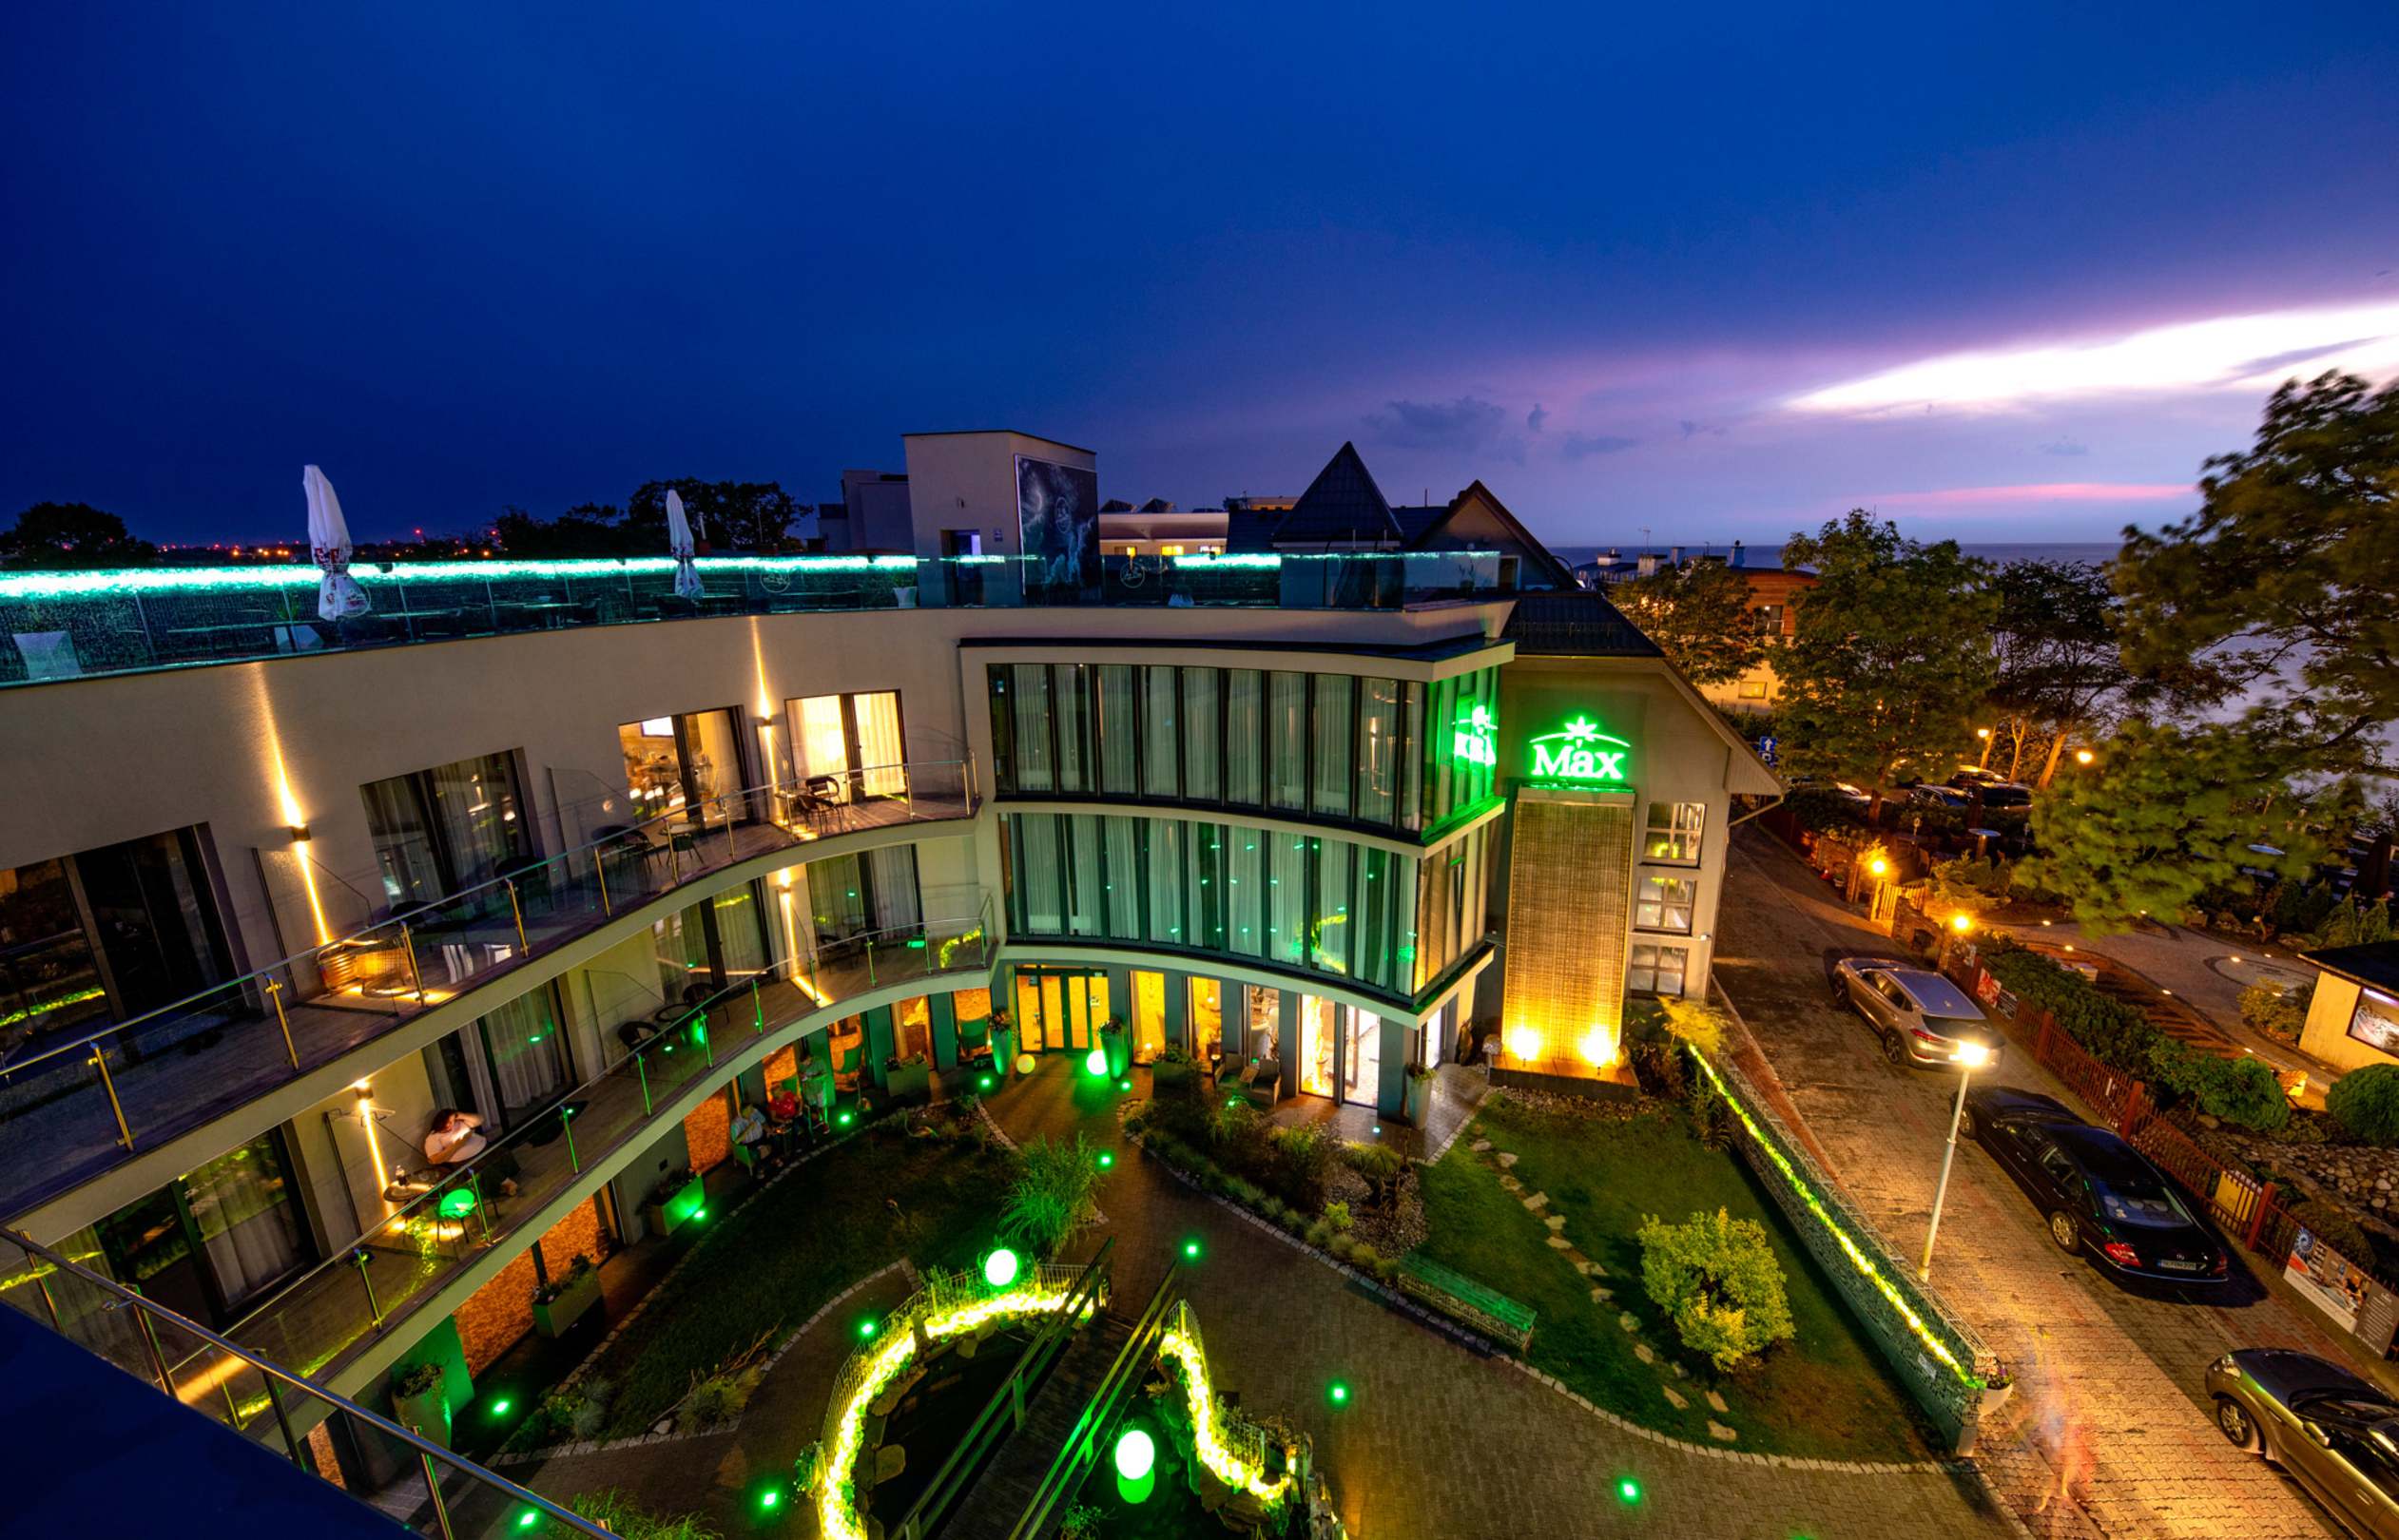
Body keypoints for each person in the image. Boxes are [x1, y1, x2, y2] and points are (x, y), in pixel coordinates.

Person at [423, 1108, 519, 1196]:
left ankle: (504, 1180)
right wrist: (458, 1144)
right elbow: (434, 1159)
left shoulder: (459, 1122)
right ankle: (507, 1183)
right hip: (465, 1161)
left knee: (502, 1153)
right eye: (446, 1123)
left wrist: (459, 1115)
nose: (449, 1125)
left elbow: (480, 1119)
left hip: (483, 1148)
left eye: (451, 1122)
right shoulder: (433, 1138)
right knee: (484, 1168)